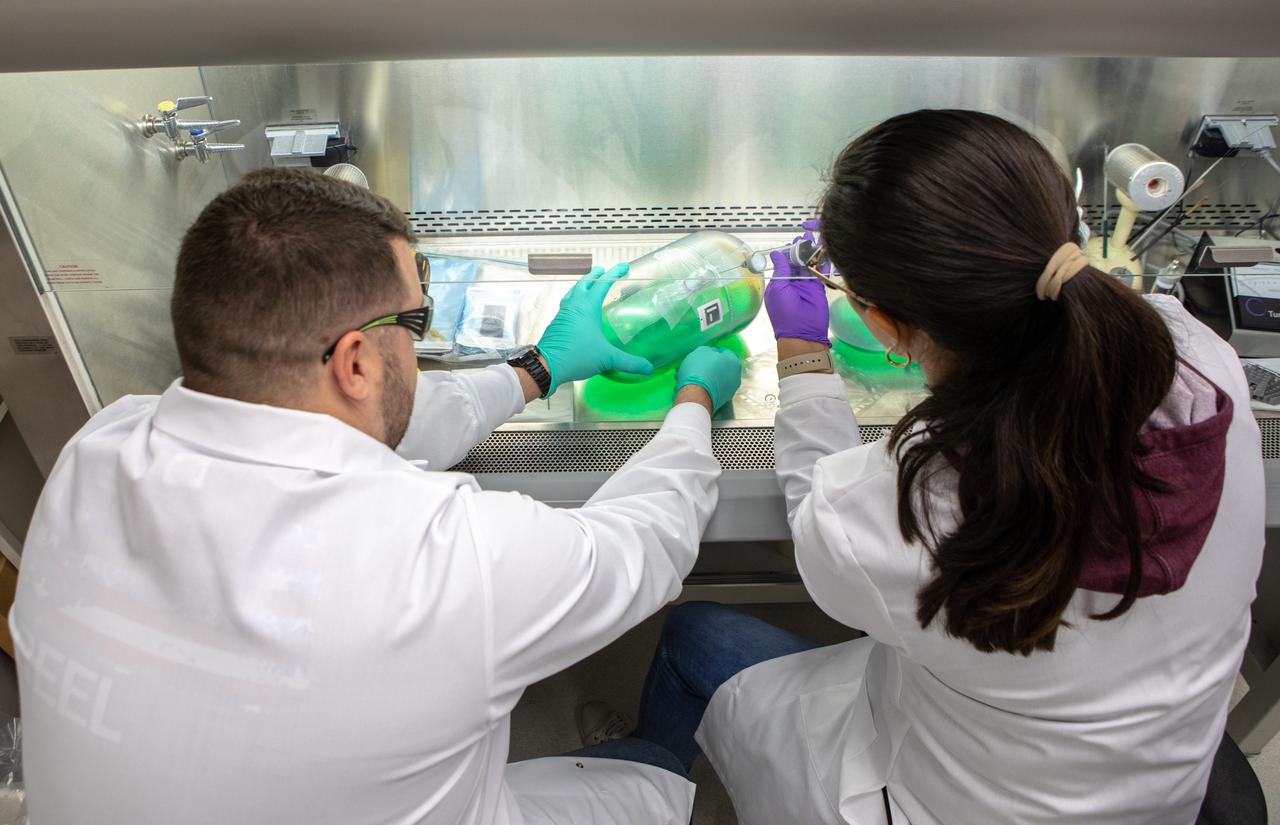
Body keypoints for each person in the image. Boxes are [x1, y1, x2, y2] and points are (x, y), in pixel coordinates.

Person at [10, 168, 744, 825]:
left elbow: (350, 425)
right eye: (415, 324)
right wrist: (690, 402)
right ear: (356, 360)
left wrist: (538, 369)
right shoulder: (452, 559)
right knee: (645, 786)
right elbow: (645, 544)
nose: (417, 351)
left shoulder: (94, 451)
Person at [630, 110, 1264, 824]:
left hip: (936, 804)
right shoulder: (1199, 358)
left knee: (694, 635)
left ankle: (638, 786)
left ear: (885, 327)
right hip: (1157, 794)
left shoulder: (916, 497)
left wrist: (804, 352)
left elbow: (821, 525)